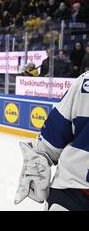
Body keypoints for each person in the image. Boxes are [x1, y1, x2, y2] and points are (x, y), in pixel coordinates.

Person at [14, 70, 89, 210]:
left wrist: (41, 157)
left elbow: (50, 140)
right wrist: (40, 159)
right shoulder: (84, 82)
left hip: (70, 192)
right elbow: (51, 140)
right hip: (71, 194)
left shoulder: (85, 81)